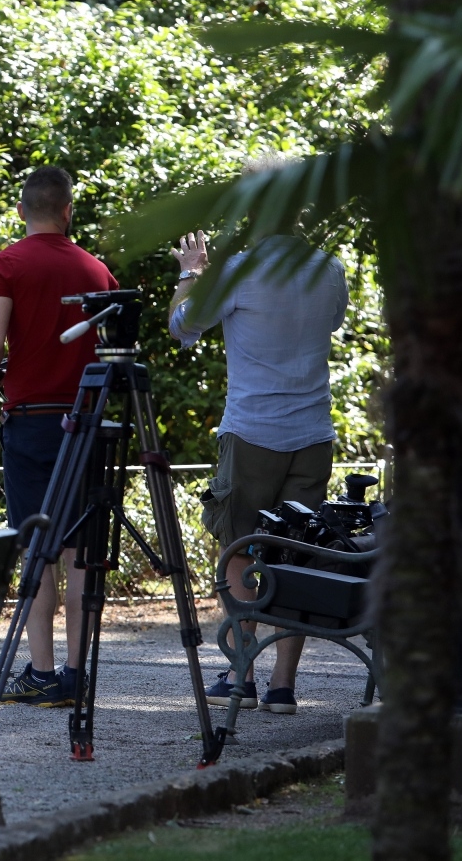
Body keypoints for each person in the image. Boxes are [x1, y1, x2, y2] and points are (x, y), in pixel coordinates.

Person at [168, 228, 347, 715]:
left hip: (251, 433)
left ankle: (240, 674)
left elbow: (183, 327)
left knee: (239, 544)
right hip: (312, 433)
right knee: (295, 552)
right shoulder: (329, 268)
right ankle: (283, 685)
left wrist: (190, 274)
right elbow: (333, 323)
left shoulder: (237, 271)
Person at [0, 166, 119, 706]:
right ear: (67, 211)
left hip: (31, 421)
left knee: (39, 548)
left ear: (21, 211)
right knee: (83, 553)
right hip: (83, 422)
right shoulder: (97, 270)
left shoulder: (7, 263)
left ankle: (40, 672)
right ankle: (77, 674)